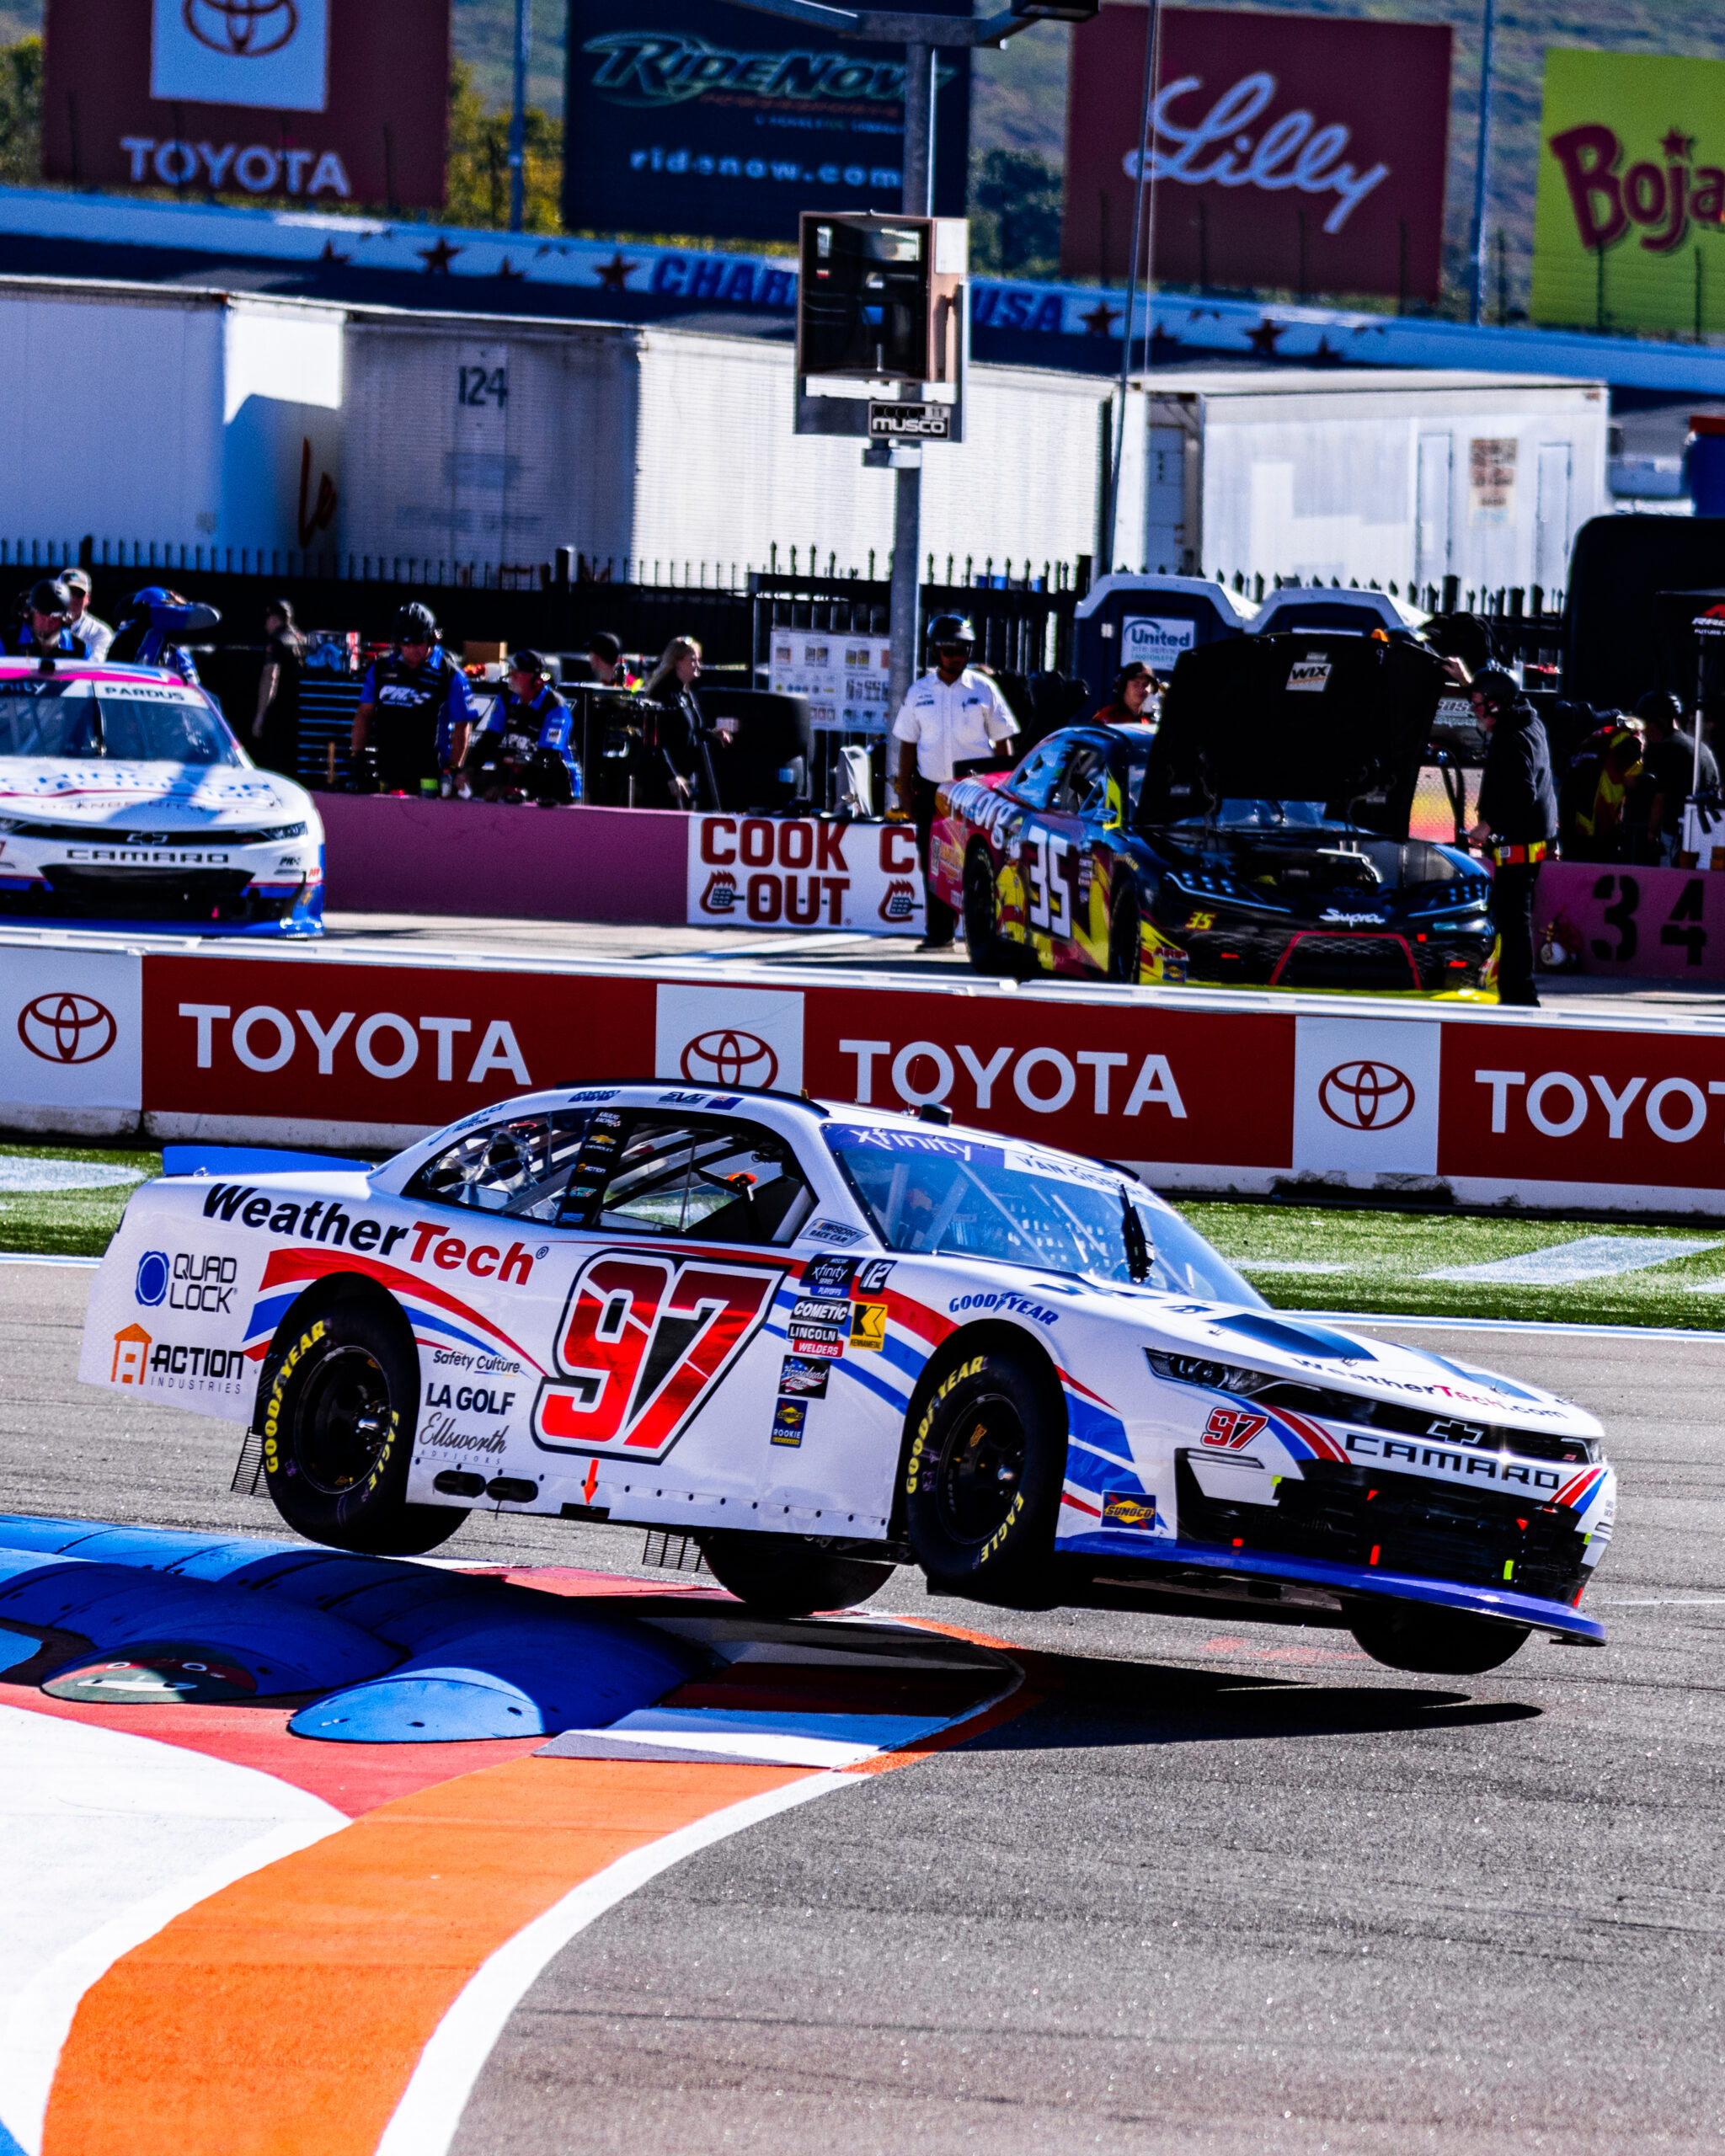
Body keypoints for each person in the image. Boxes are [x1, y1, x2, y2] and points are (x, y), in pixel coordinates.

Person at [891, 614, 1020, 951]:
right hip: (932, 791)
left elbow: (1003, 740)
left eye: (962, 650)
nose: (955, 657)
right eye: (949, 650)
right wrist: (905, 793)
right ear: (936, 651)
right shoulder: (918, 692)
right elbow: (907, 744)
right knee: (934, 861)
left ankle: (990, 932)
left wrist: (1005, 789)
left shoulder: (984, 688)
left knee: (984, 858)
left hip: (977, 793)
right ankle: (940, 933)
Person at [1467, 664, 1558, 1008]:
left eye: (1478, 703)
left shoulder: (1512, 737)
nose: (1475, 710)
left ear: (1496, 704)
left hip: (1519, 843)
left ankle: (1521, 996)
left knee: (1514, 921)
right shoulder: (1527, 720)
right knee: (1513, 918)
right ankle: (1513, 989)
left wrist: (1487, 825)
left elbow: (1523, 792)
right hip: (1532, 839)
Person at [351, 601, 478, 796]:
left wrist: (453, 768)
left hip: (430, 775)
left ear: (432, 639)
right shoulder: (380, 669)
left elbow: (462, 724)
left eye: (418, 642)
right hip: (388, 769)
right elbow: (364, 714)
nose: (412, 649)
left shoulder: (449, 673)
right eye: (406, 643)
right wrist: (358, 756)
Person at [460, 648, 579, 805]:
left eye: (518, 671)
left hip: (556, 790)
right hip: (520, 786)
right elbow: (490, 739)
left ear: (537, 680)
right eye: (511, 669)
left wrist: (510, 786)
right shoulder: (506, 698)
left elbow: (547, 756)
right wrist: (469, 769)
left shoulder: (556, 707)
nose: (512, 674)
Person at [1632, 690, 1718, 862]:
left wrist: (1651, 836)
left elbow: (1660, 799)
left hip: (1677, 836)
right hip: (1708, 836)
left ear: (1661, 722)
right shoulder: (1700, 747)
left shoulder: (1666, 749)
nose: (1644, 732)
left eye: (1646, 724)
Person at [642, 634, 723, 808]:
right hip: (668, 784)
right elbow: (657, 742)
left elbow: (691, 731)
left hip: (688, 779)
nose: (698, 665)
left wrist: (712, 734)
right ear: (677, 662)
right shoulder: (662, 693)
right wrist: (672, 775)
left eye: (698, 660)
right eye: (692, 660)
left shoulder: (685, 693)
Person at [105, 588, 219, 683]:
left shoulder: (174, 649)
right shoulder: (148, 622)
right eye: (168, 606)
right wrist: (185, 604)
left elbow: (192, 686)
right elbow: (211, 616)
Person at [251, 598, 305, 776]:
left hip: (279, 714)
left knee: (272, 766)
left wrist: (260, 716)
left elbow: (270, 676)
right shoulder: (301, 639)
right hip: (300, 715)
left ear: (274, 619)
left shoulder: (277, 642)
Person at [0, 579, 78, 659]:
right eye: (42, 618)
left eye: (54, 619)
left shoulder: (79, 649)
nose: (47, 624)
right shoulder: (7, 642)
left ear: (64, 620)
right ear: (31, 614)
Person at [61, 569, 113, 660]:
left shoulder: (100, 632)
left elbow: (95, 664)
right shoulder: (43, 624)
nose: (73, 598)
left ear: (88, 598)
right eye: (68, 592)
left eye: (79, 593)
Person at [1090, 662, 1159, 727]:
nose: (1141, 689)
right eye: (1136, 684)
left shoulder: (1151, 722)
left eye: (1145, 685)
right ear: (1123, 686)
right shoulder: (1106, 718)